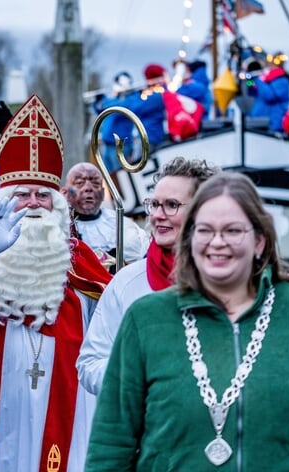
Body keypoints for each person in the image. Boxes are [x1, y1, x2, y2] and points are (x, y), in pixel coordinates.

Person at [85, 171, 289, 470]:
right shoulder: (146, 319)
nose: (217, 242)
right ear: (189, 239)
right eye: (204, 230)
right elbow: (111, 445)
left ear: (259, 241)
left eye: (232, 231)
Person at [0, 94, 113, 472]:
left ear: (58, 205)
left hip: (63, 409)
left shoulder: (82, 263)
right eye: (22, 194)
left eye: (43, 195)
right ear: (2, 200)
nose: (33, 204)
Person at [76, 157, 218, 395]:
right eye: (154, 204)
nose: (157, 215)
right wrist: (137, 374)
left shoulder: (229, 279)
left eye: (171, 205)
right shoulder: (127, 282)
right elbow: (89, 364)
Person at [61, 161, 150, 273]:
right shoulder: (58, 227)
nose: (88, 188)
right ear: (65, 192)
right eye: (79, 183)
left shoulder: (122, 225)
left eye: (95, 183)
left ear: (103, 192)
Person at [91, 71, 138, 180]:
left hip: (121, 145)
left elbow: (121, 107)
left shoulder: (131, 99)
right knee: (109, 177)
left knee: (121, 177)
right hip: (107, 144)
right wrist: (98, 100)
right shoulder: (113, 100)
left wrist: (104, 101)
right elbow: (99, 110)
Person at [246, 51, 289, 132]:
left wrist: (257, 78)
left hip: (273, 125)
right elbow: (252, 91)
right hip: (257, 122)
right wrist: (249, 80)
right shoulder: (264, 80)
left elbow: (269, 96)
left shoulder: (282, 81)